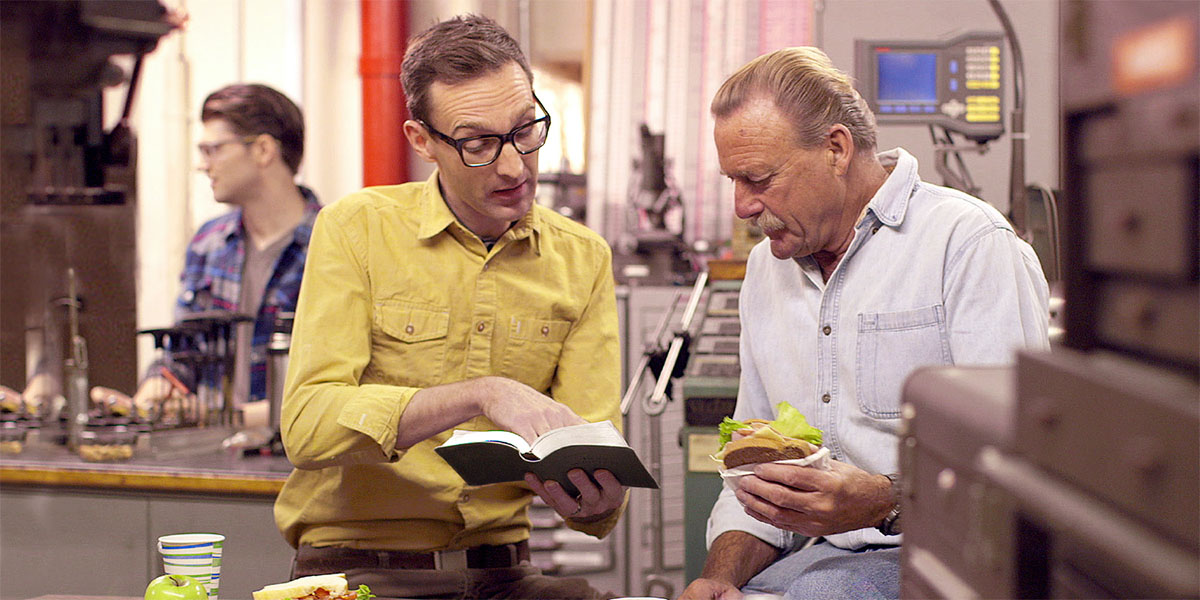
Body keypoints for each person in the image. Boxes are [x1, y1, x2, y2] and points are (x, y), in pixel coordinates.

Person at [274, 14, 624, 600]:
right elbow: (308, 427)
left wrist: (598, 500)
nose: (514, 165)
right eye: (479, 144)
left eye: (525, 130)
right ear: (423, 142)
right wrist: (482, 393)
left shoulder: (583, 259)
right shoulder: (356, 229)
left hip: (502, 574)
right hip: (360, 567)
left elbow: (594, 482)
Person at [679, 47, 1050, 600]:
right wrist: (718, 577)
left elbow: (1020, 469)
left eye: (758, 179)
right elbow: (755, 476)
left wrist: (885, 499)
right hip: (824, 560)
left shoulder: (968, 246)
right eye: (733, 180)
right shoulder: (765, 270)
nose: (742, 207)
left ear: (835, 149)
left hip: (951, 555)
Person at [91, 83, 320, 423]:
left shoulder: (333, 244)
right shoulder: (209, 242)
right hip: (213, 459)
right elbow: (182, 352)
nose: (202, 165)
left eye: (213, 150)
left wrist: (225, 418)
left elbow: (339, 389)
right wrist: (156, 392)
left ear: (263, 149)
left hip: (298, 462)